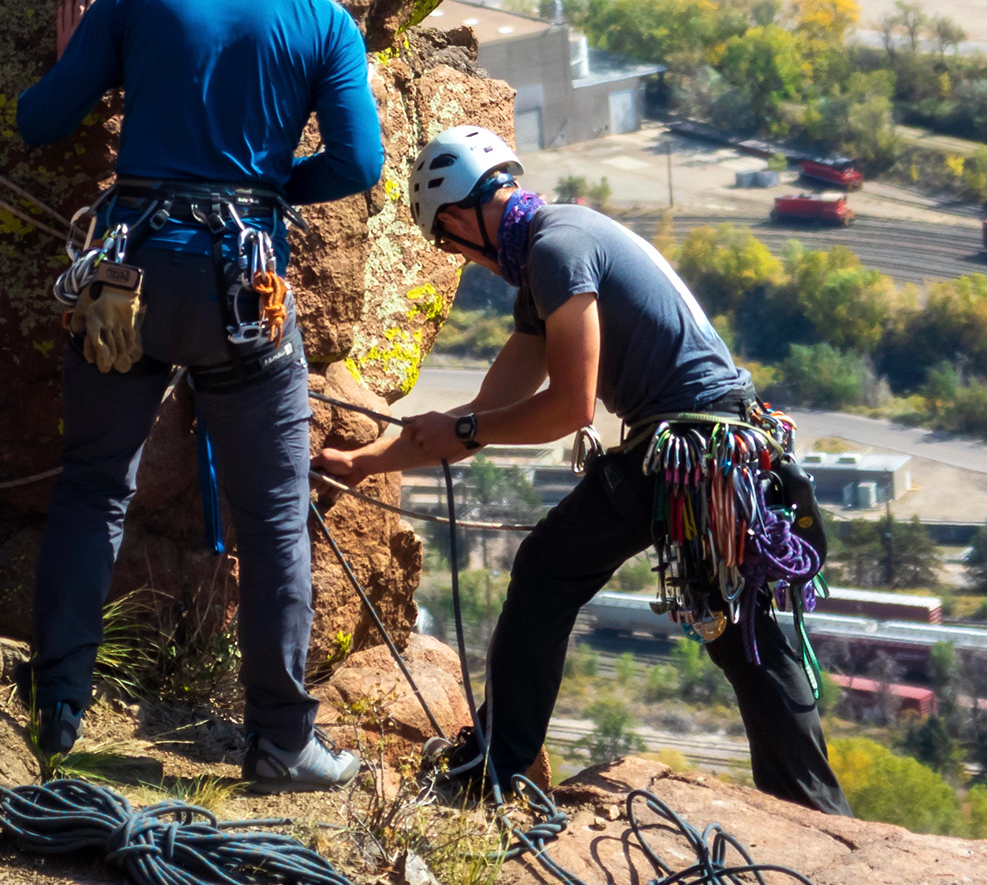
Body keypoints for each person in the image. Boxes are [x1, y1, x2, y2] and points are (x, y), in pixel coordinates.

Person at [317, 125, 850, 815]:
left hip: (686, 449)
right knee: (740, 627)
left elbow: (569, 407)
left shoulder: (554, 251)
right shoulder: (557, 245)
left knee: (547, 572)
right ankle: (817, 811)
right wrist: (364, 462)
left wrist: (468, 428)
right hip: (712, 450)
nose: (462, 260)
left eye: (448, 245)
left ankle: (496, 768)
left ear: (456, 218)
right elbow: (486, 411)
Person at [14, 0, 384, 794]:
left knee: (96, 483)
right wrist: (263, 193)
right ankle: (280, 742)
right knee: (271, 518)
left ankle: (56, 707)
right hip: (242, 285)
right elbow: (358, 164)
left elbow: (42, 123)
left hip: (126, 271)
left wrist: (71, 65)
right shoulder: (322, 21)